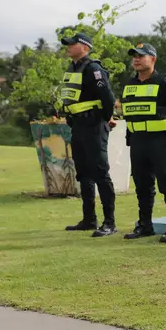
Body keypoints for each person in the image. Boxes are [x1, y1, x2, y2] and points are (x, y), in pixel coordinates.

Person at [120, 43, 166, 243]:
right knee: (142, 185)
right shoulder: (129, 85)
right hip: (138, 143)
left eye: (141, 55)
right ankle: (145, 225)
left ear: (153, 59)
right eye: (134, 56)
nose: (136, 59)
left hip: (160, 142)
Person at [58, 32, 117, 237]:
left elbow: (108, 98)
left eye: (72, 44)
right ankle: (89, 219)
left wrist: (104, 119)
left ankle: (109, 223)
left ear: (85, 47)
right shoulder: (72, 68)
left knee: (100, 172)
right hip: (78, 128)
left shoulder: (94, 69)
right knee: (83, 174)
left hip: (94, 127)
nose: (68, 47)